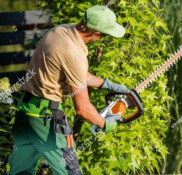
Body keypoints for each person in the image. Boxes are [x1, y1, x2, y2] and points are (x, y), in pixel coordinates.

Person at [8, 5, 129, 175]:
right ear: (93, 32)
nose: (102, 38)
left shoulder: (59, 31)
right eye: (104, 35)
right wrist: (106, 124)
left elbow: (75, 72)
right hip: (46, 121)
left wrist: (107, 84)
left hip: (25, 114)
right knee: (70, 172)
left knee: (20, 173)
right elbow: (83, 109)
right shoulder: (75, 53)